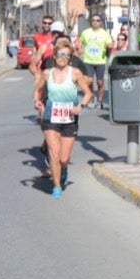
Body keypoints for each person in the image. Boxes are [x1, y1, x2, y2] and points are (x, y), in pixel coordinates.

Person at [34, 40, 93, 198]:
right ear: (54, 56)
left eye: (67, 55)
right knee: (54, 153)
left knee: (64, 158)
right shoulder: (47, 73)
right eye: (60, 54)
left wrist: (80, 106)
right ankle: (57, 186)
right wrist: (37, 101)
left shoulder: (75, 73)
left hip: (69, 118)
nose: (63, 57)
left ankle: (64, 169)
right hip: (51, 117)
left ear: (70, 58)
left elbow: (88, 93)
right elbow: (37, 90)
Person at [78, 13, 115, 111]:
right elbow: (80, 41)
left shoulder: (104, 33)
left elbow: (110, 44)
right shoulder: (86, 32)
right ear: (91, 22)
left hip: (100, 61)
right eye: (93, 20)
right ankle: (91, 97)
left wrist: (109, 46)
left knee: (100, 82)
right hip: (88, 60)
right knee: (89, 81)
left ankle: (100, 101)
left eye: (97, 20)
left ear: (100, 22)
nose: (95, 22)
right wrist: (80, 48)